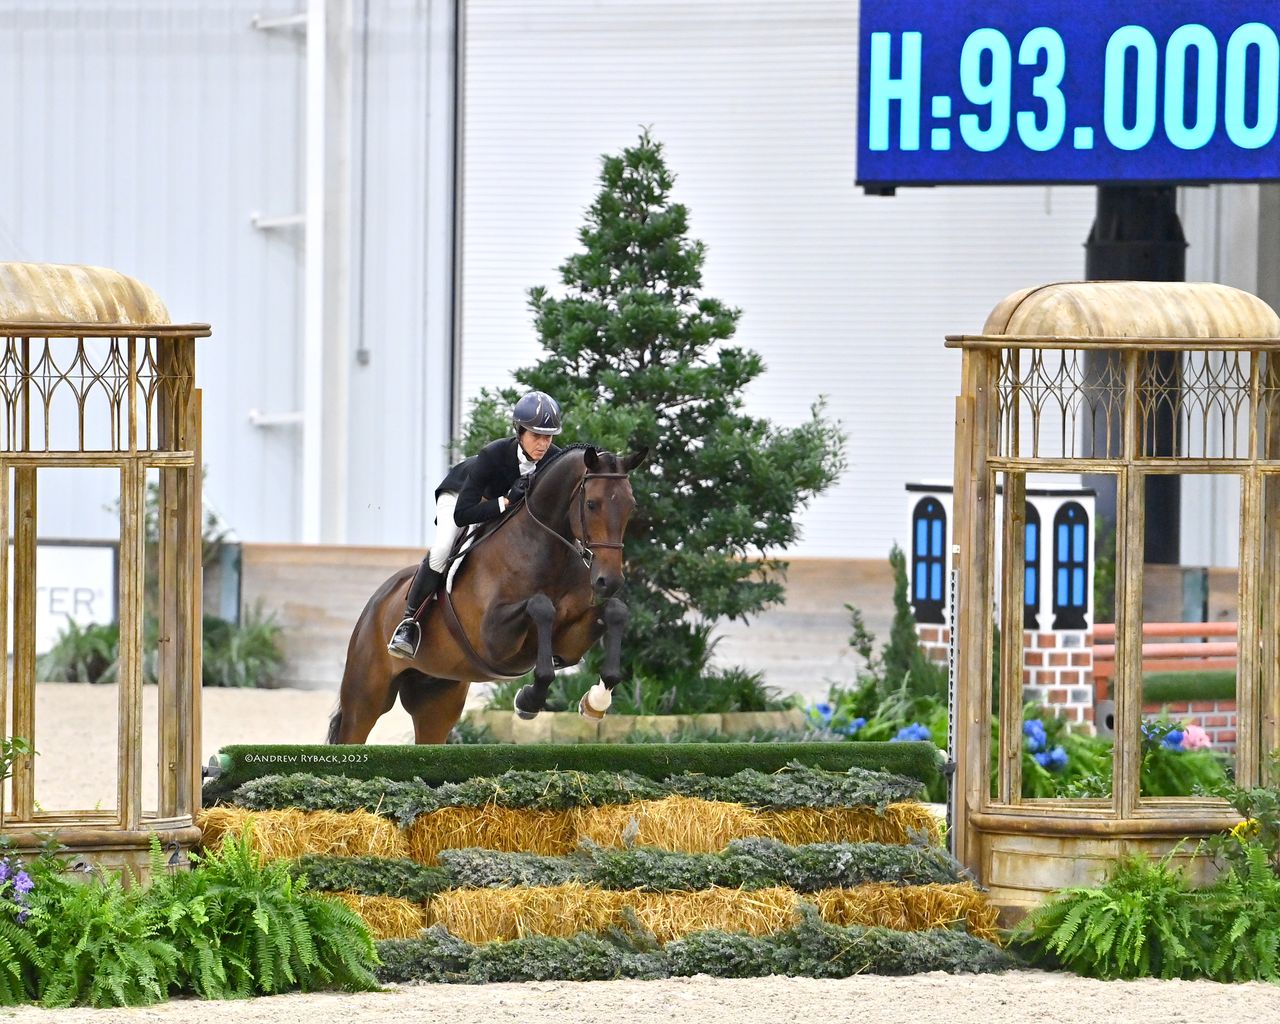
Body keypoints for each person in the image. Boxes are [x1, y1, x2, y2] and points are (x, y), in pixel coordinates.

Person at [387, 390, 563, 659]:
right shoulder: (493, 454)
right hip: (460, 497)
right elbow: (463, 515)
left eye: (548, 437)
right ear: (519, 431)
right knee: (443, 548)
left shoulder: (553, 459)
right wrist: (505, 501)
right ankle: (409, 623)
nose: (543, 444)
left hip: (497, 507)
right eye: (536, 436)